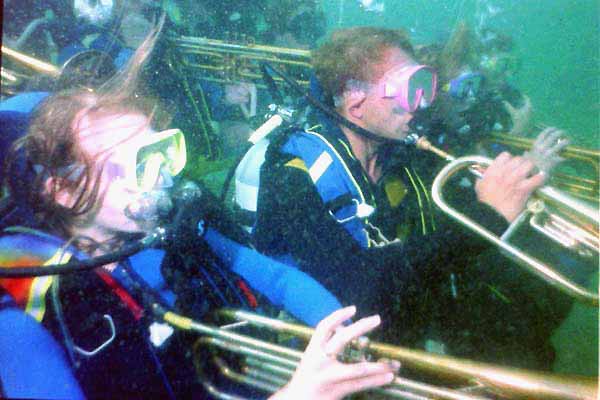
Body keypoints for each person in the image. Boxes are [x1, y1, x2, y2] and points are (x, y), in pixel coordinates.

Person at [0, 22, 399, 399]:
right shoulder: (18, 313)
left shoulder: (170, 230)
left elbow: (277, 279)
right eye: (142, 164)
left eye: (163, 153)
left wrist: (342, 332)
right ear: (65, 192)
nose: (164, 179)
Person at [244, 26, 560, 366]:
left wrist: (521, 177)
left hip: (402, 321)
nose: (421, 103)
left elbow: (448, 227)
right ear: (355, 100)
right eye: (410, 88)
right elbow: (355, 288)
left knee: (538, 324)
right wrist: (487, 217)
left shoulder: (398, 158)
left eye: (425, 87)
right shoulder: (291, 172)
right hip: (328, 352)